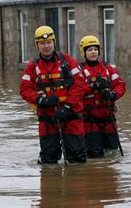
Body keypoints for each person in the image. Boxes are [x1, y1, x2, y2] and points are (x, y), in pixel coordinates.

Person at [19, 26, 88, 164]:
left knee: (77, 159)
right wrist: (41, 100)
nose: (46, 46)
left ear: (54, 42)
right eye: (42, 43)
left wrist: (67, 107)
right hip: (47, 119)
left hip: (71, 116)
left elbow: (80, 85)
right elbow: (24, 90)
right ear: (37, 45)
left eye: (49, 42)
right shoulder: (32, 66)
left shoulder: (67, 61)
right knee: (48, 160)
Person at [79, 35, 126, 158]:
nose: (93, 52)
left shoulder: (108, 68)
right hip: (90, 119)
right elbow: (76, 91)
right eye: (89, 50)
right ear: (84, 52)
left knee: (113, 152)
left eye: (95, 49)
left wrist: (112, 94)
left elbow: (120, 85)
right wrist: (93, 86)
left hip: (108, 117)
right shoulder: (80, 71)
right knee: (94, 154)